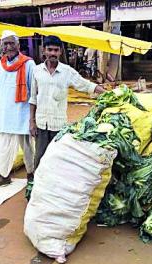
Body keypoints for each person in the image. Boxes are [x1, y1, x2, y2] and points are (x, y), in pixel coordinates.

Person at [29, 36, 106, 171]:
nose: (53, 53)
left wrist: (106, 93)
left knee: (57, 159)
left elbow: (85, 84)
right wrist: (32, 121)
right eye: (50, 50)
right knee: (39, 159)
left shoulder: (67, 71)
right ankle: (36, 188)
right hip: (41, 123)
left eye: (56, 50)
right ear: (44, 51)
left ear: (60, 52)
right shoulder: (36, 71)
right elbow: (33, 98)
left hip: (58, 125)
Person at [0, 30, 36, 188]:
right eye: (5, 43)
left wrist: (33, 119)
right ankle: (4, 175)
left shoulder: (28, 64)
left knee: (28, 147)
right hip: (5, 114)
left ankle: (31, 174)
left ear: (18, 45)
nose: (8, 46)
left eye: (11, 43)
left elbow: (34, 92)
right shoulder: (0, 66)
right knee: (4, 146)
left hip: (23, 114)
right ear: (2, 45)